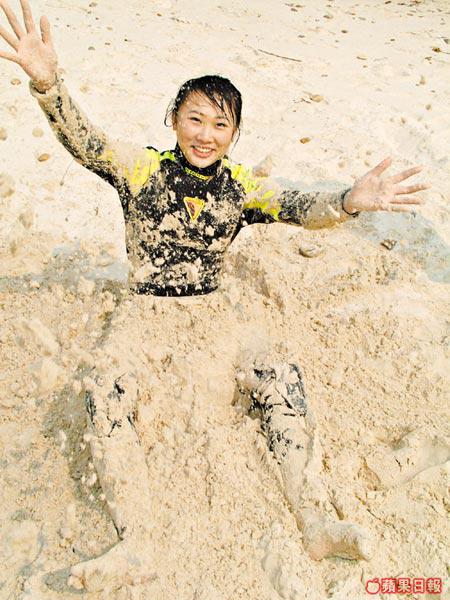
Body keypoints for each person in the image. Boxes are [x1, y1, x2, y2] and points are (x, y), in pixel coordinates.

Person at [0, 0, 429, 593]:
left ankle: (313, 519)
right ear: (174, 120)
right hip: (146, 314)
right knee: (105, 389)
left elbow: (298, 206)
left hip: (215, 316)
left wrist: (348, 202)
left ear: (235, 134)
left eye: (220, 125)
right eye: (195, 119)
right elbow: (87, 143)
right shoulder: (141, 169)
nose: (206, 135)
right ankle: (136, 540)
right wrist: (49, 85)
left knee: (279, 374)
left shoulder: (240, 186)